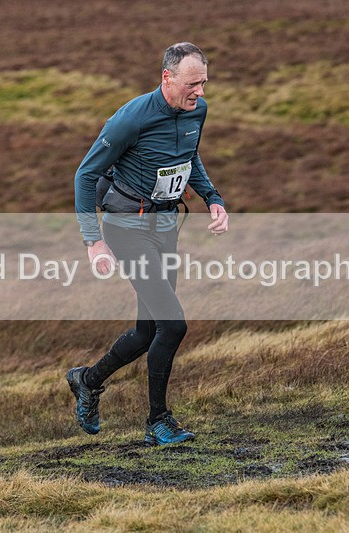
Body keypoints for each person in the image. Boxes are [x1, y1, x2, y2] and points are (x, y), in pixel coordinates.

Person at [69, 43, 229, 445]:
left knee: (148, 330)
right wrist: (92, 241)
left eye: (204, 83)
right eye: (192, 84)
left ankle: (87, 380)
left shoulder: (197, 111)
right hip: (126, 227)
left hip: (164, 226)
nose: (200, 92)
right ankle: (158, 421)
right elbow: (85, 175)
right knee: (173, 325)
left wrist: (213, 198)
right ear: (167, 78)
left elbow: (189, 157)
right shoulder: (131, 119)